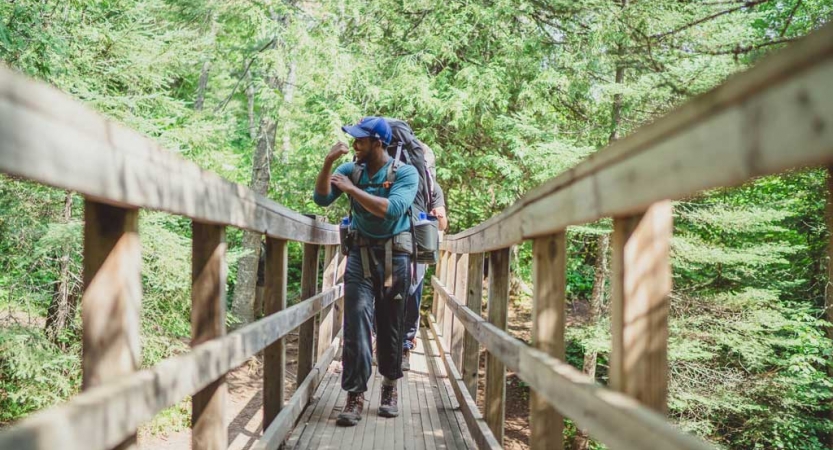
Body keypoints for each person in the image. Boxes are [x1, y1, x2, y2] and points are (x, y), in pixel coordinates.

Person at [313, 117, 418, 427]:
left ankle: (389, 386)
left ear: (378, 143)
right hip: (359, 254)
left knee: (390, 323)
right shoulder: (350, 170)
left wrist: (351, 190)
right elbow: (321, 198)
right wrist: (328, 164)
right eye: (354, 140)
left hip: (394, 257)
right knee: (356, 321)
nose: (355, 145)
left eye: (360, 140)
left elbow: (392, 209)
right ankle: (355, 394)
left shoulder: (405, 173)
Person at [402, 145, 447, 370]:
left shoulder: (431, 187)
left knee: (413, 292)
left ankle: (404, 347)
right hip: (396, 242)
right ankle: (382, 342)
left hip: (419, 246)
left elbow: (443, 223)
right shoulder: (398, 179)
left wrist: (438, 217)